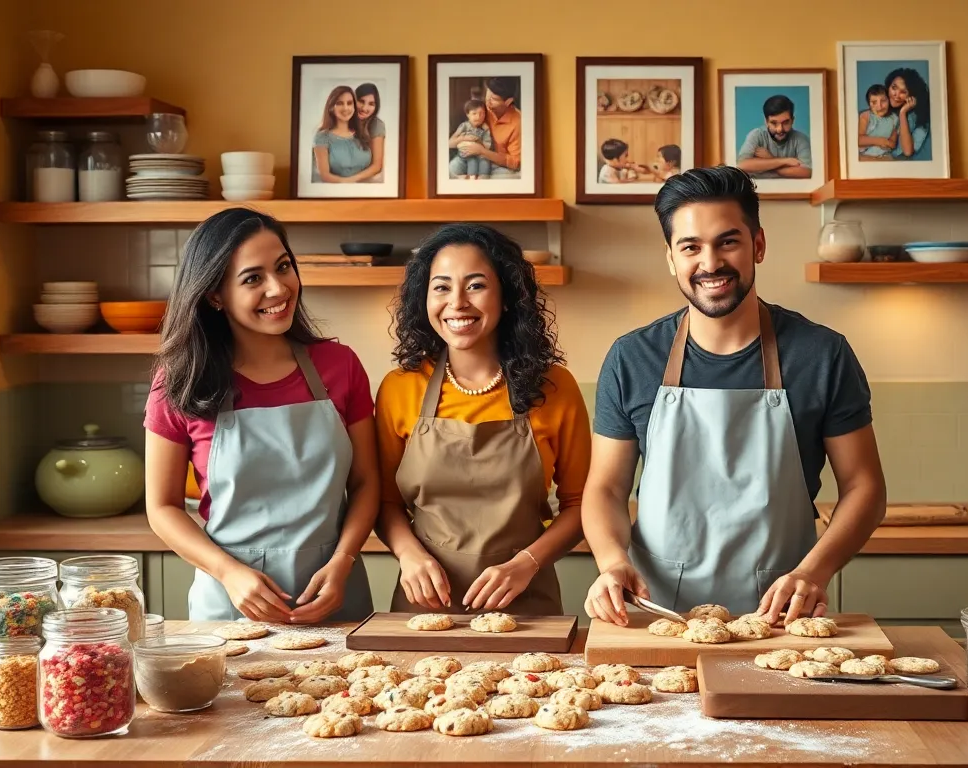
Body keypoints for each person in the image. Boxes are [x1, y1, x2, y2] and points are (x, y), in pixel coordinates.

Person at [580, 166, 886, 626]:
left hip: (782, 614)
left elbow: (865, 487)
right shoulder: (632, 357)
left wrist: (813, 571)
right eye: (690, 247)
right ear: (670, 257)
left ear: (757, 245)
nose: (710, 263)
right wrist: (610, 561)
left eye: (728, 242)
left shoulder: (822, 354)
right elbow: (605, 487)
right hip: (655, 615)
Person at [143, 208, 380, 623]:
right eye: (253, 278)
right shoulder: (180, 382)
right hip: (231, 603)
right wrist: (229, 573)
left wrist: (343, 561)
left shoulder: (339, 366)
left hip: (334, 596)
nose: (278, 288)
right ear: (215, 295)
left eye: (284, 267)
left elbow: (365, 482)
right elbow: (161, 507)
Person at [373, 223, 591, 614]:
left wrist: (526, 565)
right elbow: (385, 502)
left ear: (506, 296)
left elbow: (580, 505)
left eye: (475, 285)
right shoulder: (399, 388)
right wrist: (409, 555)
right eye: (441, 287)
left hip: (526, 601)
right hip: (424, 603)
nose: (457, 302)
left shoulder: (555, 388)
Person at [312, 83, 386, 183]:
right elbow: (324, 175)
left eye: (349, 103)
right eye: (339, 103)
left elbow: (377, 165)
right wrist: (346, 183)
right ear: (331, 107)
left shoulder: (364, 133)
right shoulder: (322, 137)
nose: (346, 108)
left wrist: (353, 182)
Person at [455, 77, 521, 179]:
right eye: (487, 94)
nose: (487, 101)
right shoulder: (483, 108)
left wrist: (482, 151)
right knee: (450, 170)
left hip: (499, 166)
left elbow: (515, 162)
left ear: (508, 101)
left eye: (493, 99)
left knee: (505, 179)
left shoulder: (518, 122)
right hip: (472, 157)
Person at [736, 94, 813, 177]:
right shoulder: (756, 135)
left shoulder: (801, 139)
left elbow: (807, 172)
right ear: (766, 121)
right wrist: (784, 161)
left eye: (786, 122)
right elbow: (742, 165)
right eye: (773, 123)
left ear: (792, 120)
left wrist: (769, 159)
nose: (780, 129)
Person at [883, 68, 931, 161]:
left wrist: (902, 113)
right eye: (894, 88)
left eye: (903, 92)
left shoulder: (920, 119)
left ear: (911, 97)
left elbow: (907, 151)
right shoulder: (881, 105)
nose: (896, 95)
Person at [448, 98, 496, 179]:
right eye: (474, 113)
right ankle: (471, 177)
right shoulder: (464, 126)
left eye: (482, 113)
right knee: (469, 162)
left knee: (485, 162)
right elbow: (450, 143)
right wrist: (464, 138)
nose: (478, 117)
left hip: (481, 154)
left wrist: (479, 141)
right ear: (467, 114)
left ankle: (483, 178)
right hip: (465, 155)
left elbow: (488, 145)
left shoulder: (485, 128)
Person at [858, 84, 900, 159]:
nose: (879, 106)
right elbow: (859, 140)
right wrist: (880, 141)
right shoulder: (865, 116)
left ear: (889, 100)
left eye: (883, 101)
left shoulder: (894, 119)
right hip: (865, 155)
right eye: (874, 102)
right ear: (869, 104)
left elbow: (893, 144)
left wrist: (887, 143)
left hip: (885, 155)